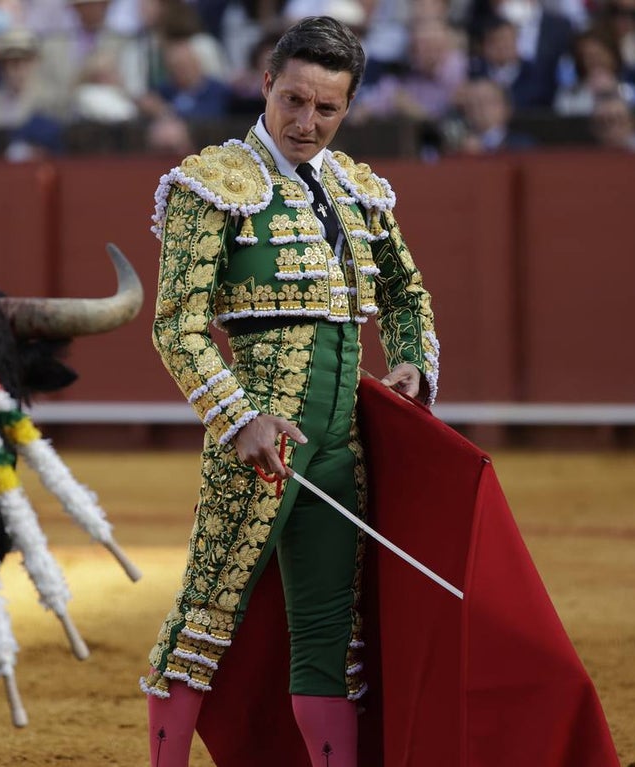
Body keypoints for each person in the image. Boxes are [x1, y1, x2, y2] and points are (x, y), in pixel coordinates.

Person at [141, 15, 438, 767]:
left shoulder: (359, 191)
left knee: (331, 639)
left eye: (326, 109)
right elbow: (175, 325)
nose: (307, 123)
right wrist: (239, 418)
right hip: (257, 448)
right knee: (204, 619)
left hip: (340, 451)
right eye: (294, 101)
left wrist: (410, 363)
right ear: (267, 84)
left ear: (348, 107)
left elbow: (405, 292)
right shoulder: (211, 184)